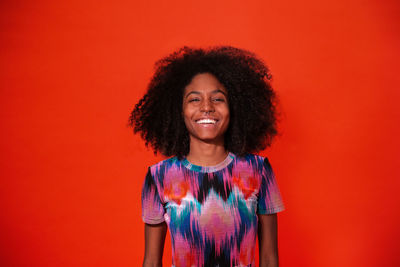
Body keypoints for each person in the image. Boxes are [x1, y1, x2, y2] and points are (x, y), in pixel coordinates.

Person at [129, 46, 285, 267]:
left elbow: (269, 259)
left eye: (218, 99)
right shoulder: (159, 176)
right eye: (194, 99)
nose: (207, 107)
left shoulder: (258, 170)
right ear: (178, 111)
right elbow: (151, 262)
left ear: (235, 107)